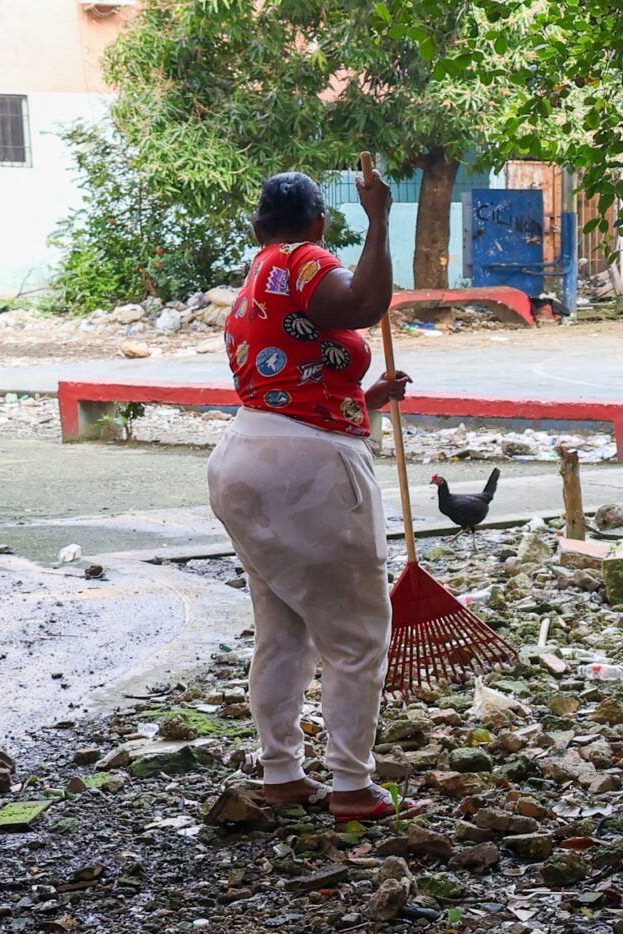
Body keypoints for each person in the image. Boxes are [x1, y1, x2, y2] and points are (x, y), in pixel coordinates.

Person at [207, 169, 422, 825]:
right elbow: (361, 305)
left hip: (244, 460)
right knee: (356, 637)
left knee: (285, 626)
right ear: (319, 225)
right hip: (306, 471)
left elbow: (295, 375)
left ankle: (281, 771)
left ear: (256, 227)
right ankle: (352, 784)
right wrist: (381, 220)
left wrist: (369, 398)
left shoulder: (254, 284)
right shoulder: (303, 260)